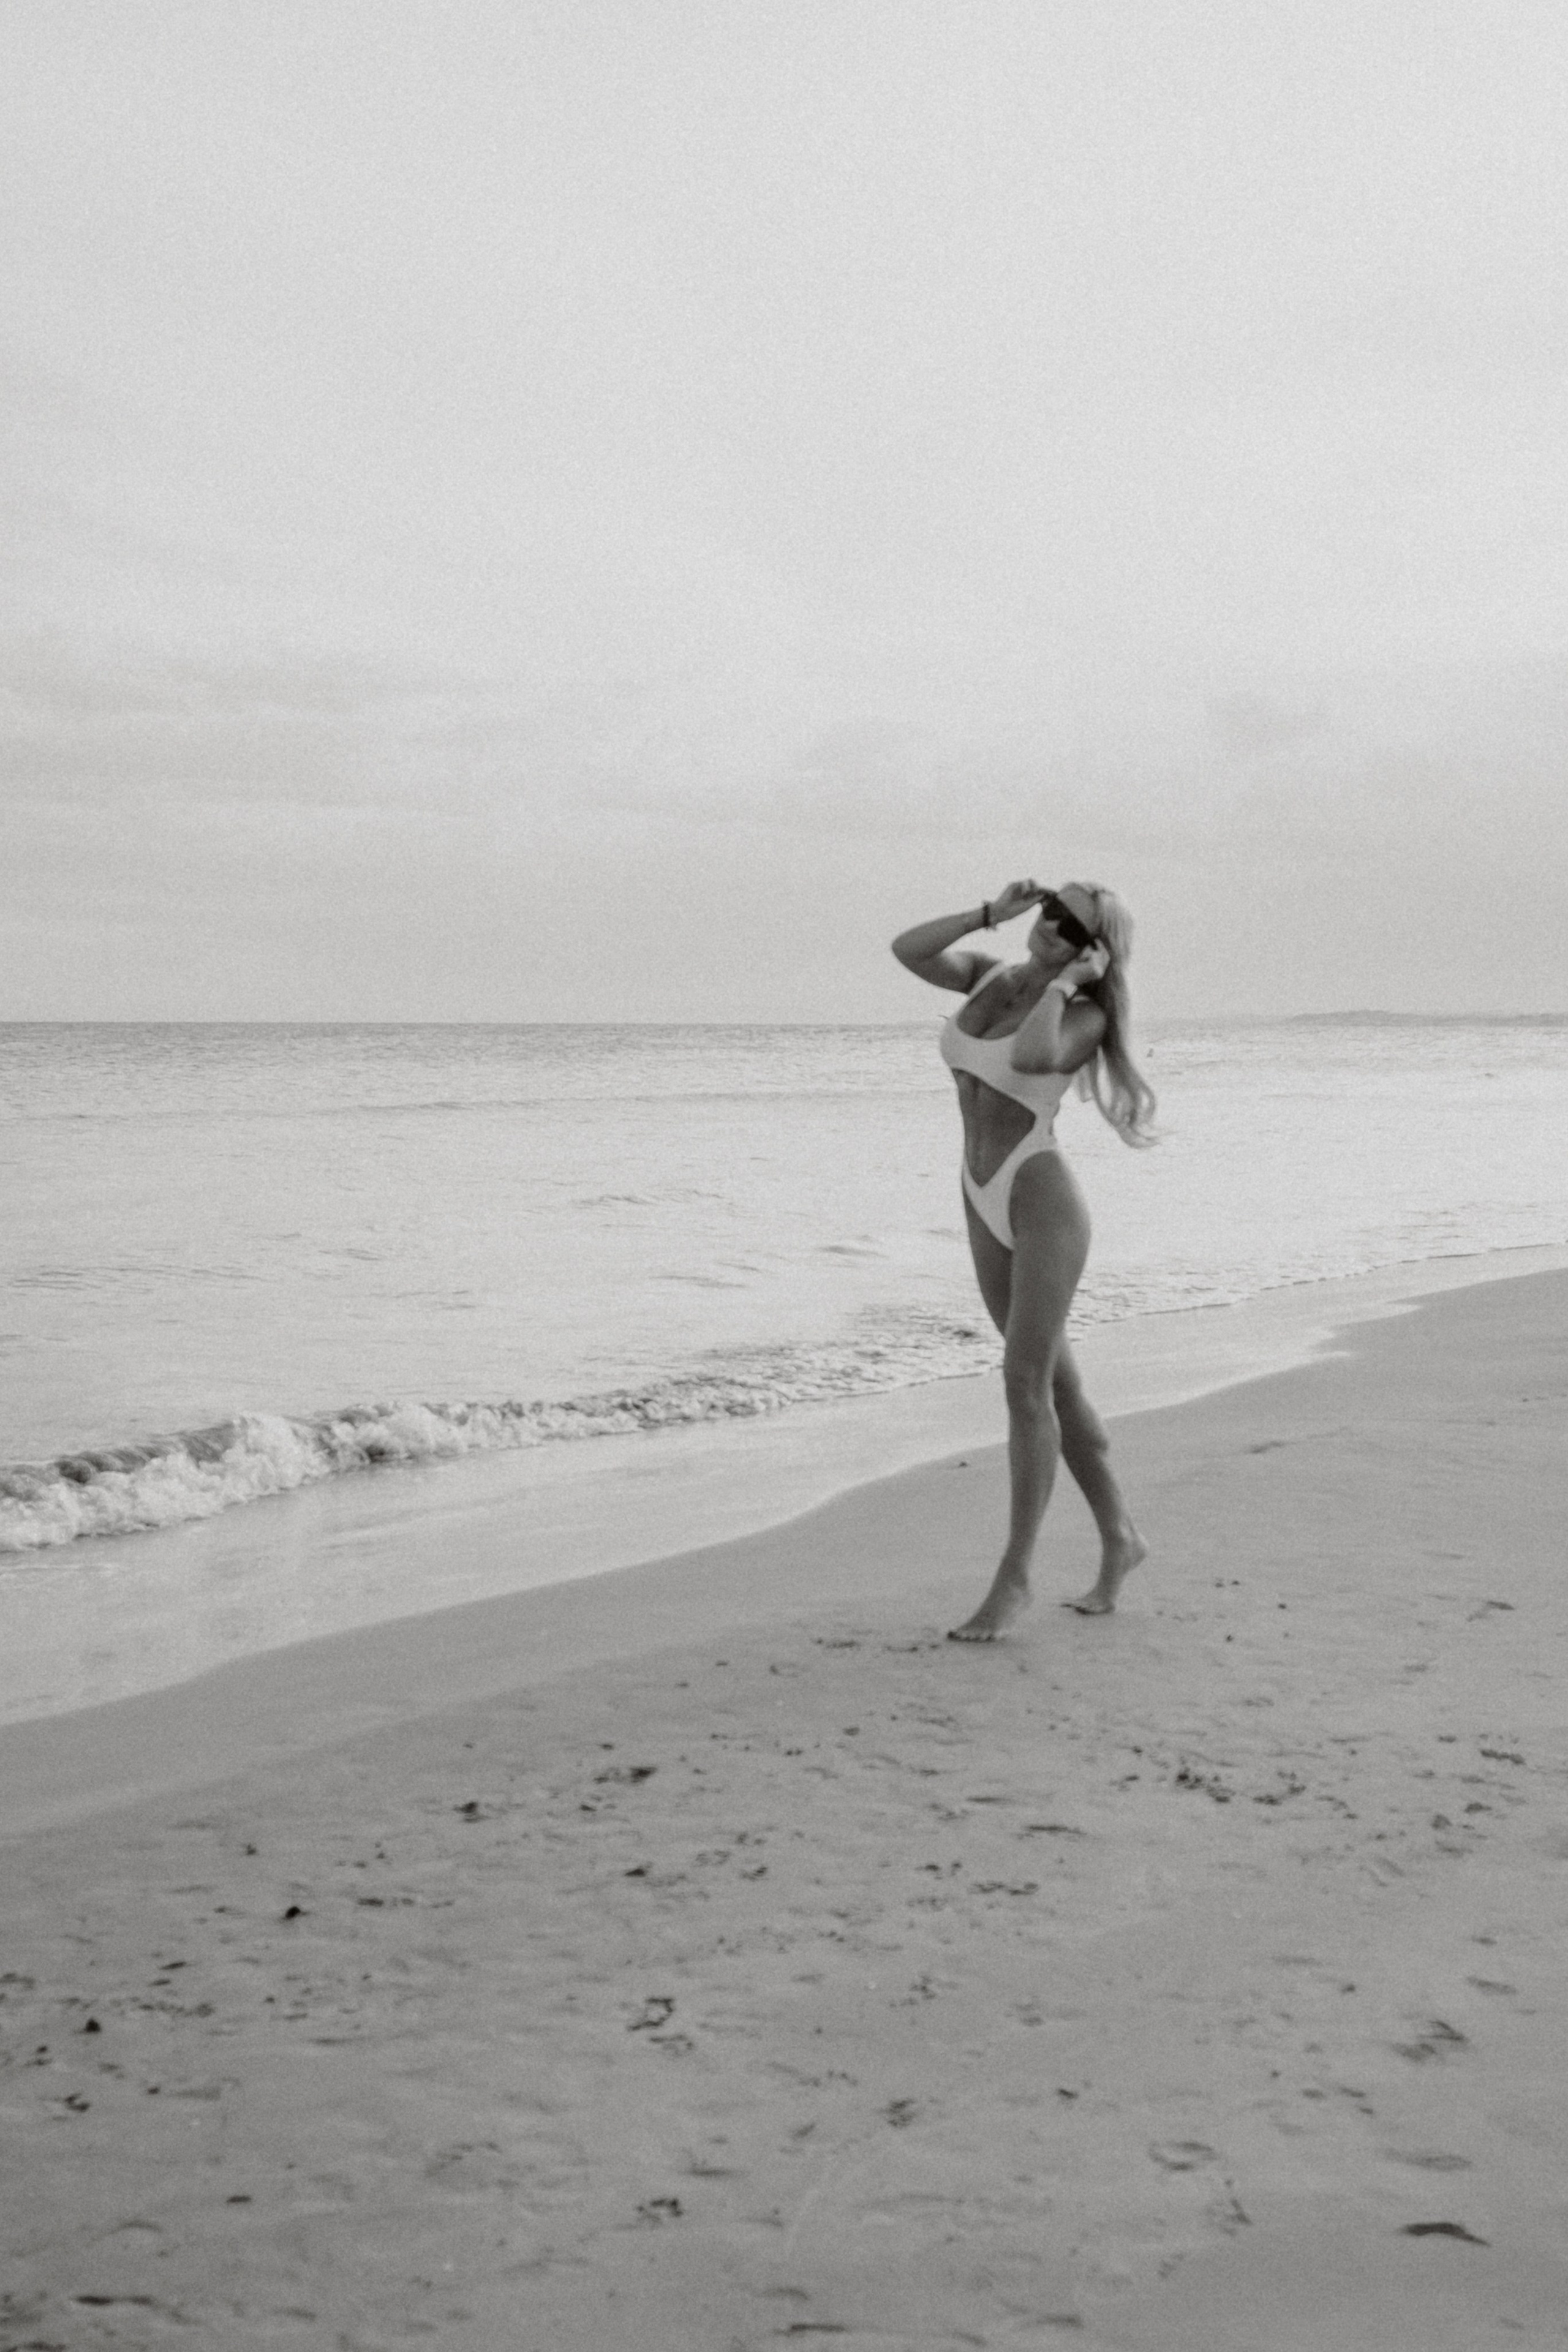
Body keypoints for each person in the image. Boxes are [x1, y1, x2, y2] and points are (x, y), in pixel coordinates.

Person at [891, 878, 1157, 1637]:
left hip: (1040, 1200)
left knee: (1022, 1381)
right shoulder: (987, 975)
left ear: (1093, 948)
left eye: (1072, 924)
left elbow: (1039, 1056)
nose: (1051, 926)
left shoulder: (1082, 1013)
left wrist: (1069, 983)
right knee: (1057, 1390)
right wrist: (987, 914)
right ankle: (1121, 1539)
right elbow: (908, 950)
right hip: (978, 1192)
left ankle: (1014, 1580)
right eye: (1051, 910)